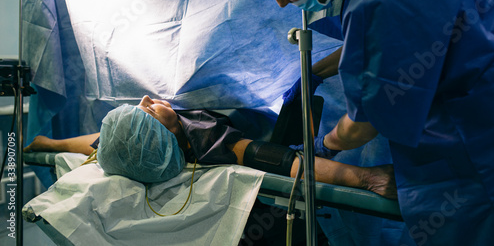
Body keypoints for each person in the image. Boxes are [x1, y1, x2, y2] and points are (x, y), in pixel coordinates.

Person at [237, 0, 494, 245]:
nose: (280, 1)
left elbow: (365, 122)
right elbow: (389, 49)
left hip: (483, 153)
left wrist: (321, 146)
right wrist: (316, 71)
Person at [25, 95, 396, 199]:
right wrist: (363, 177)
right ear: (170, 138)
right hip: (261, 124)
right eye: (149, 113)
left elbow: (98, 139)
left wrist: (50, 144)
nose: (145, 99)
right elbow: (288, 163)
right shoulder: (208, 138)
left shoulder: (127, 142)